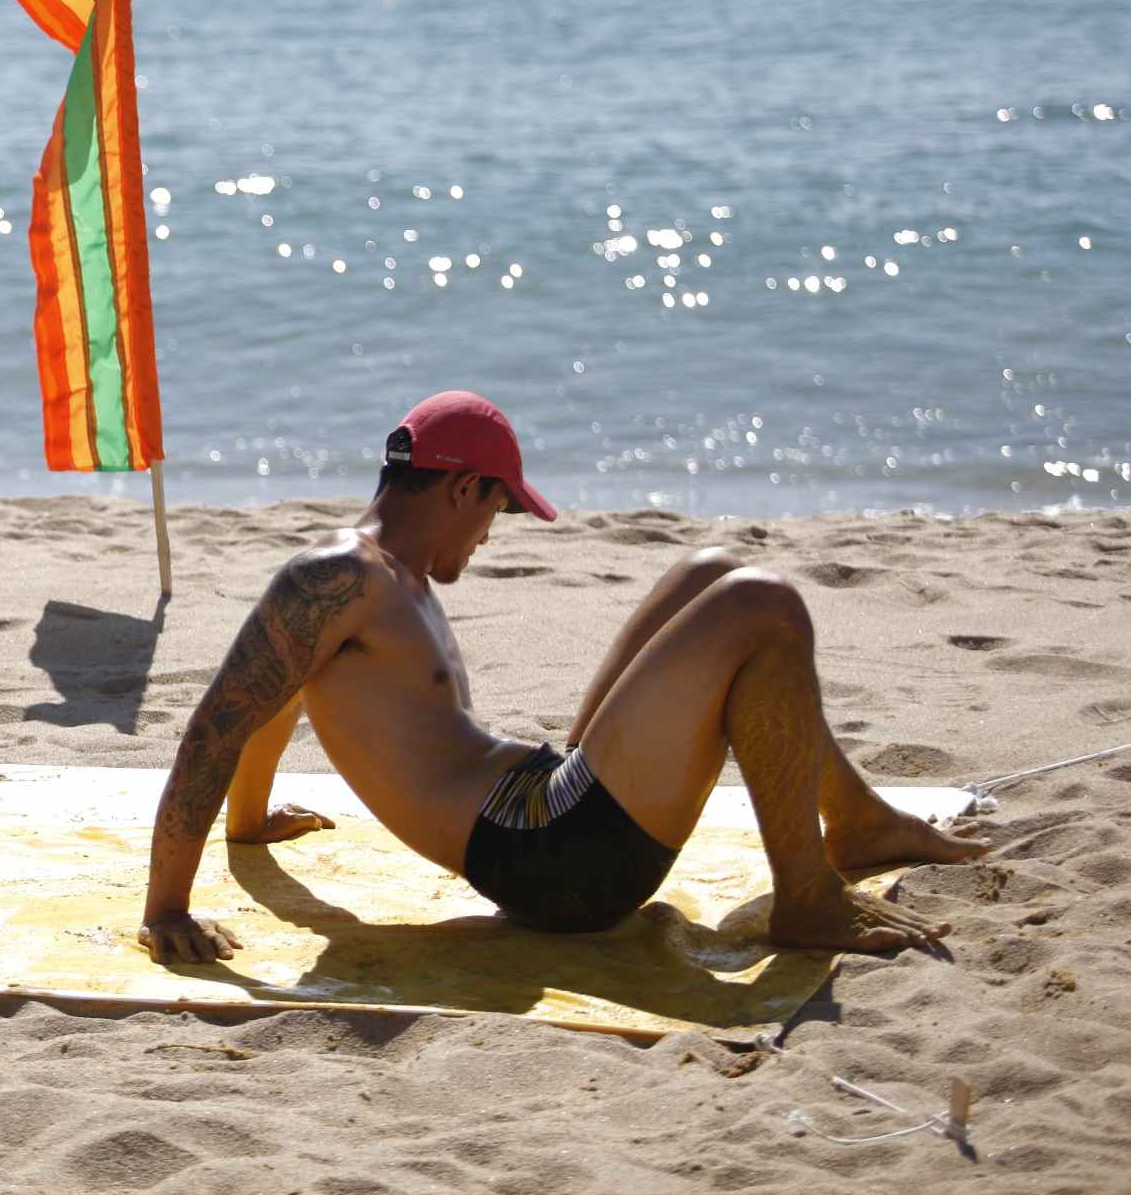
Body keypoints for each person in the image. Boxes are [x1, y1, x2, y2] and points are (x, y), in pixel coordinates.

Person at [139, 391, 990, 962]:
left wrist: (250, 825)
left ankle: (857, 820)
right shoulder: (341, 577)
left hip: (551, 804)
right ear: (463, 488)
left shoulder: (385, 582)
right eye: (499, 508)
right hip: (554, 861)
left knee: (713, 570)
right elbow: (219, 723)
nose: (492, 533)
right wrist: (167, 910)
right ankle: (806, 896)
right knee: (762, 603)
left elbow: (275, 695)